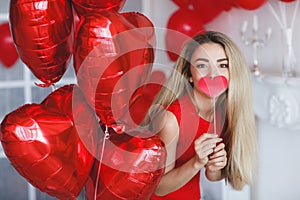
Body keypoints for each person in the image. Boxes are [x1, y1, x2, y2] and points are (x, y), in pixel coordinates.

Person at [143, 31, 257, 199]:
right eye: (202, 65)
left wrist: (214, 167)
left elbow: (214, 176)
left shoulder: (223, 114)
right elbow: (158, 188)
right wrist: (196, 162)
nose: (213, 74)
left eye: (223, 65)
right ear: (189, 75)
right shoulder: (171, 119)